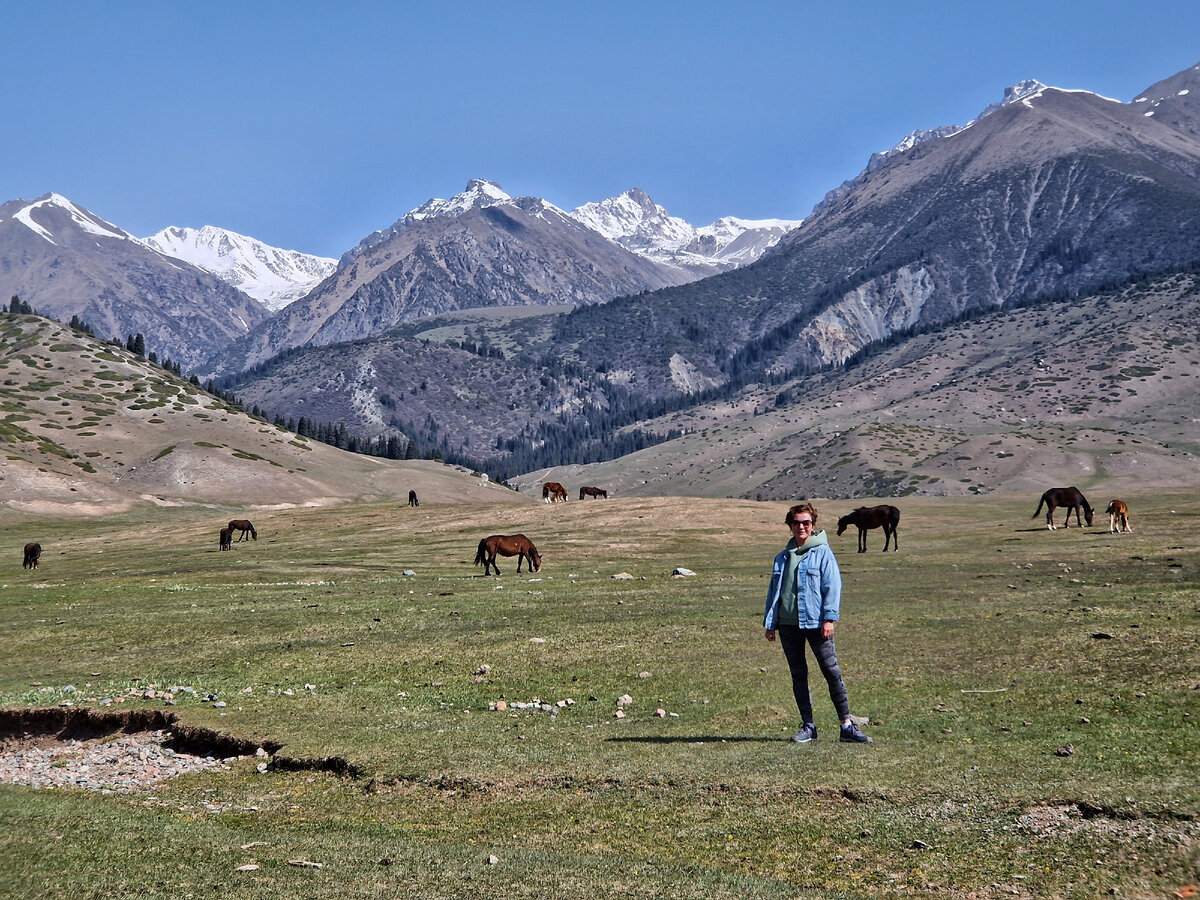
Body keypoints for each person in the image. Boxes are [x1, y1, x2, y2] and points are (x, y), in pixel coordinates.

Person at [763, 503, 872, 744]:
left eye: (806, 522)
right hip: (788, 624)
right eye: (796, 523)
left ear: (813, 525)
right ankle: (808, 726)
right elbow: (774, 592)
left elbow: (832, 587)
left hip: (816, 622)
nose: (801, 527)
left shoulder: (823, 552)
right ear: (790, 526)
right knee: (798, 674)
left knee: (831, 672)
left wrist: (829, 618)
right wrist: (770, 623)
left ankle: (846, 725)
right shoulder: (782, 557)